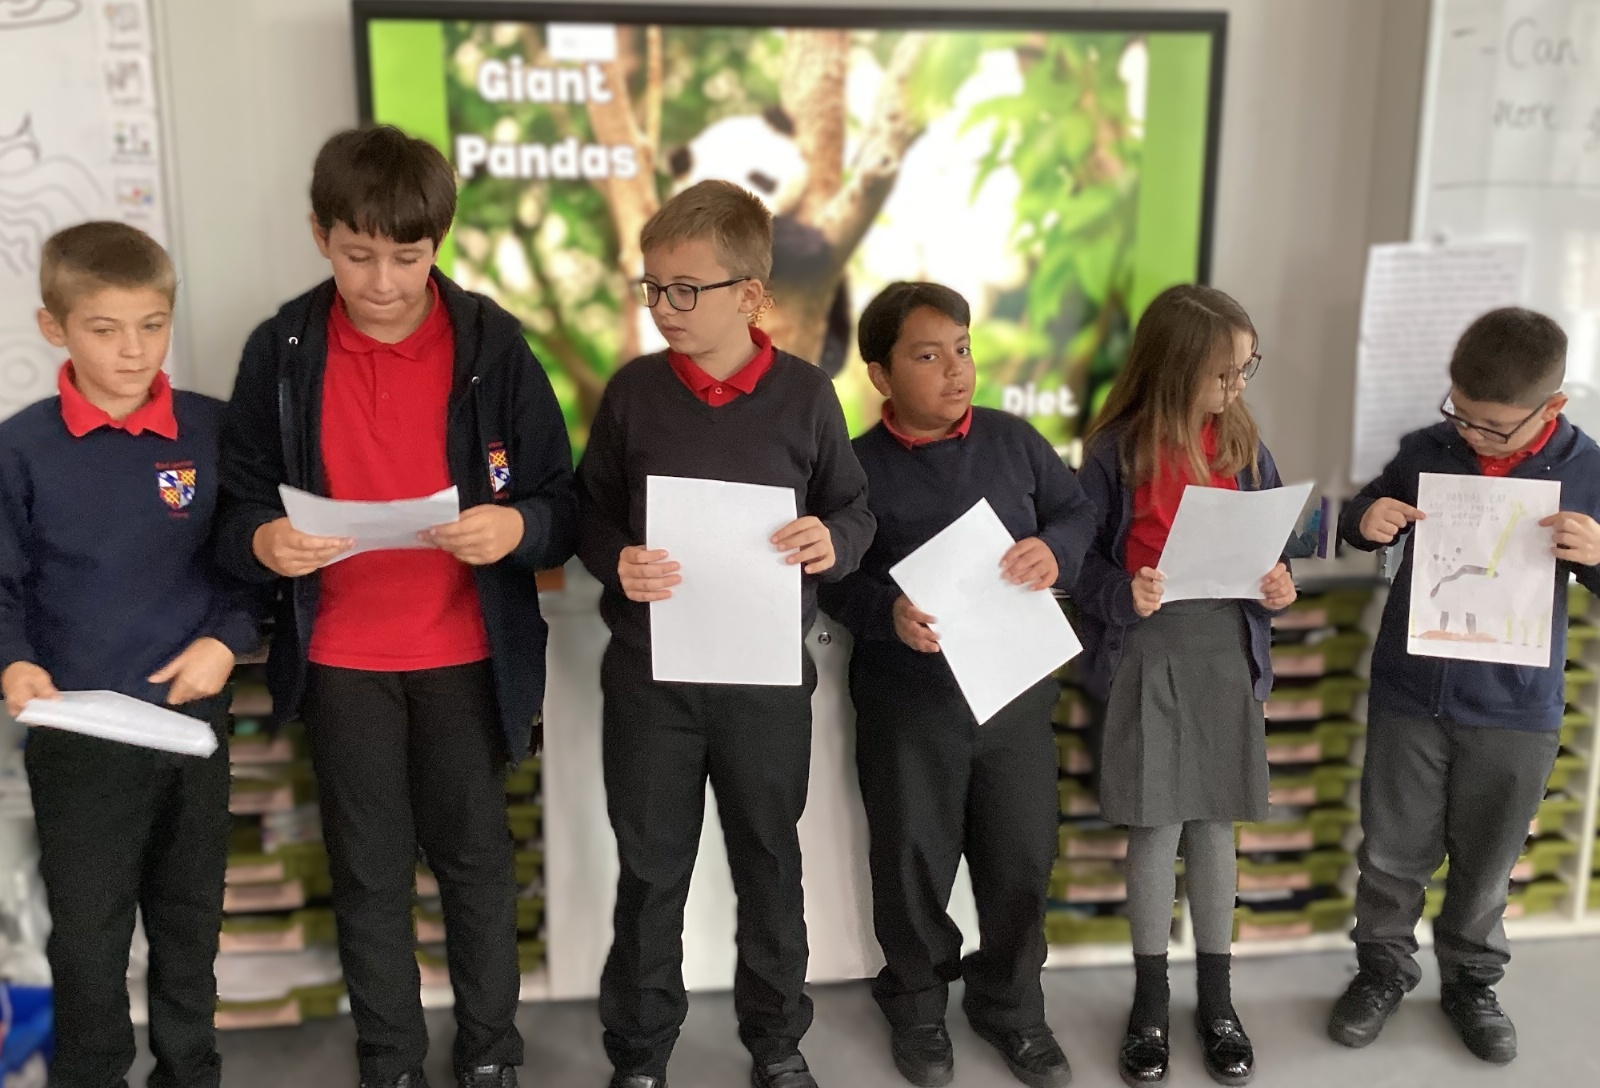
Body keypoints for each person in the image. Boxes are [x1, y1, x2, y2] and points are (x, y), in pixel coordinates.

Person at [215, 126, 577, 1088]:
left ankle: (491, 1055)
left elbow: (563, 502)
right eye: (357, 255)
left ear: (437, 243)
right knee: (368, 871)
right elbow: (236, 501)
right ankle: (390, 1060)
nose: (382, 282)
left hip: (466, 653)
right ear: (320, 235)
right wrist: (263, 541)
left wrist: (518, 527)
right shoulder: (282, 349)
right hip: (340, 658)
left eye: (407, 258)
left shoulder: (494, 345)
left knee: (476, 864)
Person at [575, 180, 875, 1088]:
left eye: (685, 289)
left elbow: (854, 510)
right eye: (652, 287)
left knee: (769, 865)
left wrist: (832, 541)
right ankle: (640, 1054)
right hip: (651, 683)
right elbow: (587, 513)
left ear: (750, 295)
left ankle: (777, 1042)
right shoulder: (634, 394)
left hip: (765, 683)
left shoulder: (807, 396)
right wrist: (616, 558)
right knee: (650, 873)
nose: (664, 307)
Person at [0, 221, 261, 1088]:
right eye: (104, 329)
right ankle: (92, 1075)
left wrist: (225, 642)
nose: (133, 349)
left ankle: (190, 1072)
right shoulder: (20, 449)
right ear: (55, 328)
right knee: (88, 934)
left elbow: (249, 563)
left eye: (152, 325)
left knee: (190, 924)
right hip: (78, 735)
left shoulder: (214, 433)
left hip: (192, 721)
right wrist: (12, 663)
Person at [816, 282, 1094, 1088]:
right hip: (910, 702)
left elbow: (1077, 514)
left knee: (1020, 859)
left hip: (1013, 697)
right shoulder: (855, 468)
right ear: (880, 374)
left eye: (963, 349)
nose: (956, 370)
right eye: (929, 355)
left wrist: (1055, 550)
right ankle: (916, 1006)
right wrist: (887, 611)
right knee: (912, 865)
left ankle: (1010, 1006)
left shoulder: (1015, 442)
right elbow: (831, 576)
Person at [1329, 307, 1600, 1065]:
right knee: (1391, 853)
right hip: (1411, 692)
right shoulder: (1427, 448)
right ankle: (1382, 970)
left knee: (1487, 861)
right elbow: (1359, 518)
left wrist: (1597, 555)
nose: (1475, 434)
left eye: (1496, 427)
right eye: (1463, 414)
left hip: (1517, 705)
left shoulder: (1587, 469)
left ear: (1552, 407)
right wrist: (1367, 519)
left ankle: (1473, 983)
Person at [1074, 285, 1296, 1088]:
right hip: (1148, 651)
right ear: (1173, 370)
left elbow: (1272, 548)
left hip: (1222, 652)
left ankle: (1218, 1000)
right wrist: (1120, 591)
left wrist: (1279, 582)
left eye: (1245, 370)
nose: (1236, 387)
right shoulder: (1115, 452)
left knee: (1214, 825)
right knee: (1155, 825)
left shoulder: (1244, 442)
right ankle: (1150, 1001)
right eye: (1223, 373)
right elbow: (1078, 565)